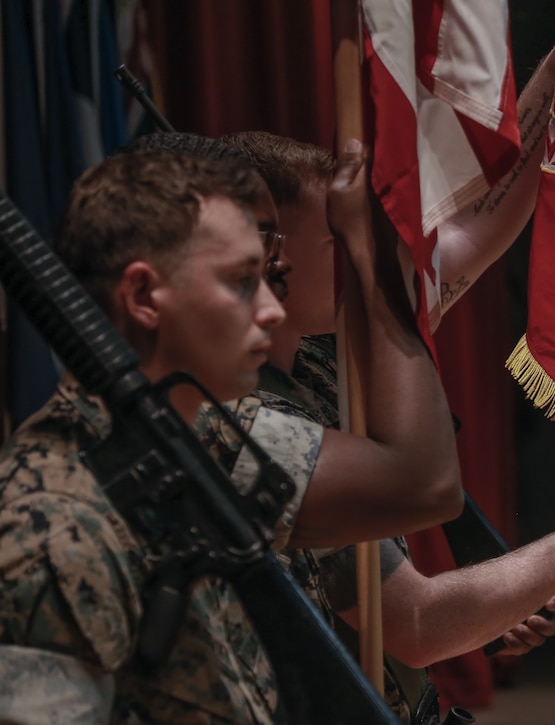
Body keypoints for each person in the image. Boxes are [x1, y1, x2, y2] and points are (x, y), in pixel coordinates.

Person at [0, 142, 456, 721]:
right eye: (242, 282)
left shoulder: (199, 435)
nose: (271, 308)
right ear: (143, 296)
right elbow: (418, 484)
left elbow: (420, 484)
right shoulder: (53, 524)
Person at [219, 125, 555, 720]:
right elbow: (417, 624)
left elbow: (471, 225)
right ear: (268, 255)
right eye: (336, 236)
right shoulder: (254, 422)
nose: (352, 250)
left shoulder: (320, 358)